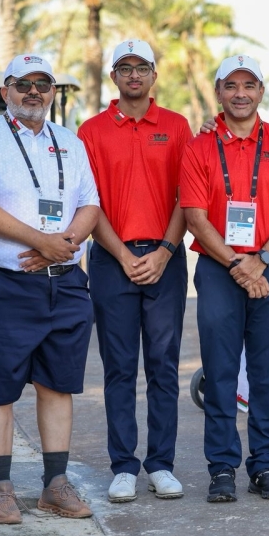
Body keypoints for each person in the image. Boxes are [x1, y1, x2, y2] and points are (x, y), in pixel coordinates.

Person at [0, 54, 101, 523]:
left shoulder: (70, 142)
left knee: (58, 385)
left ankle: (54, 486)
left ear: (53, 92)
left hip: (66, 283)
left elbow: (89, 204)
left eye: (43, 83)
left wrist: (65, 246)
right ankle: (2, 489)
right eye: (23, 83)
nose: (33, 91)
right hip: (7, 283)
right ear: (6, 91)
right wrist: (42, 242)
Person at [181, 54, 269, 502]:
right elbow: (195, 217)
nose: (241, 94)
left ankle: (264, 465)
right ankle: (221, 468)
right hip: (220, 270)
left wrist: (262, 258)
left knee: (267, 371)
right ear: (219, 92)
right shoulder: (199, 147)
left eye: (249, 85)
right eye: (231, 86)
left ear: (261, 91)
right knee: (220, 373)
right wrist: (239, 265)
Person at [78, 39, 193, 503]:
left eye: (141, 67)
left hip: (165, 257)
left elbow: (190, 196)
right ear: (113, 78)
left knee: (163, 366)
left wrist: (165, 251)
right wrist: (124, 256)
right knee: (119, 368)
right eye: (124, 68)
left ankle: (160, 464)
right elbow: (89, 204)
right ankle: (124, 465)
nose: (133, 76)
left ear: (153, 75)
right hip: (111, 259)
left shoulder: (178, 127)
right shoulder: (91, 131)